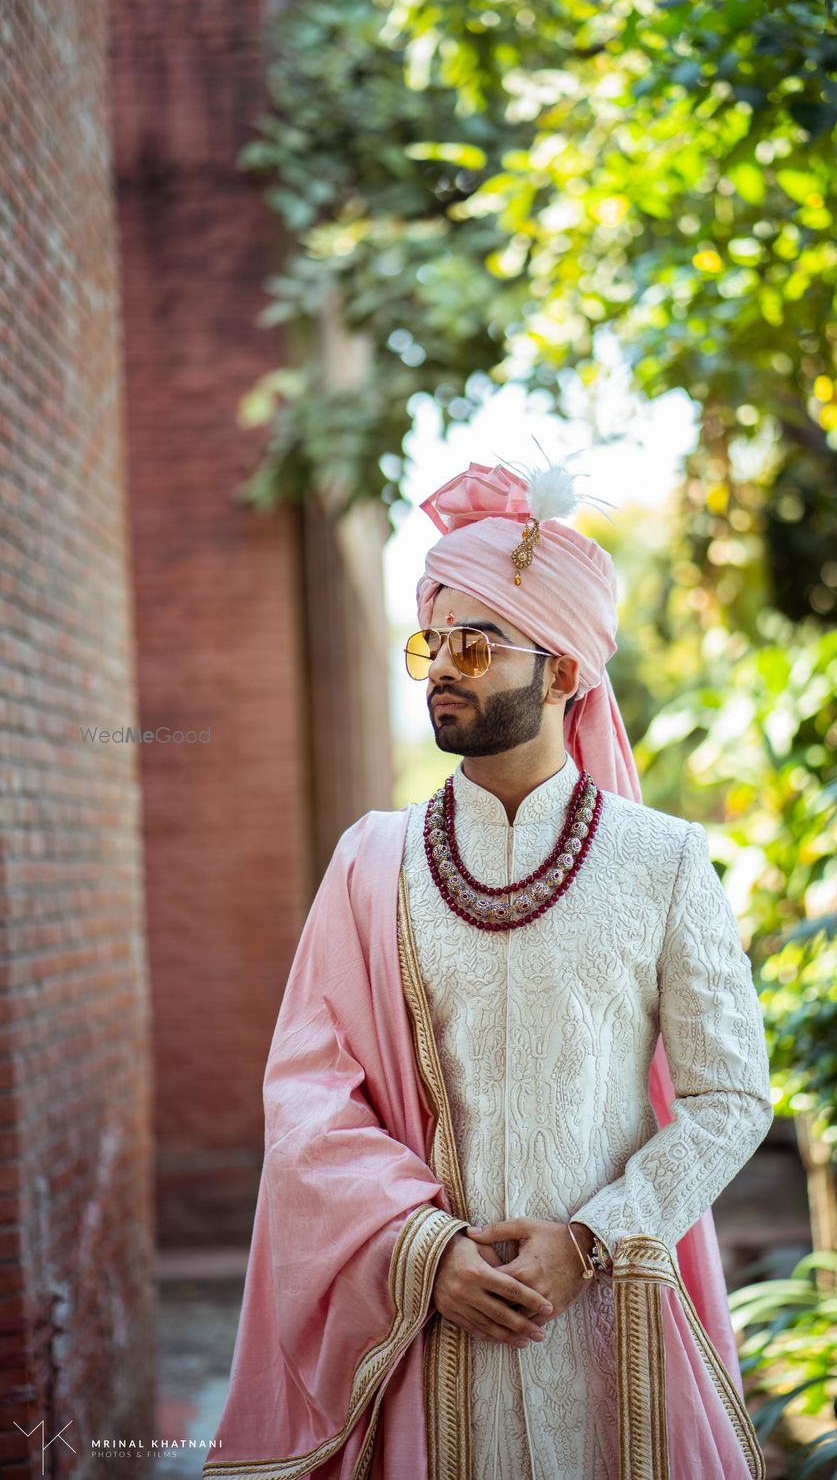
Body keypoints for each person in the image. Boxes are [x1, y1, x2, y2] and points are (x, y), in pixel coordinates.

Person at [203, 455, 773, 1480]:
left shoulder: (663, 860)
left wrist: (593, 1238)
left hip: (614, 1331)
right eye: (433, 639)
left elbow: (729, 1095)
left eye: (478, 641)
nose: (442, 666)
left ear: (563, 670)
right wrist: (426, 1252)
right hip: (428, 1324)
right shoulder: (371, 860)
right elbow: (307, 1097)